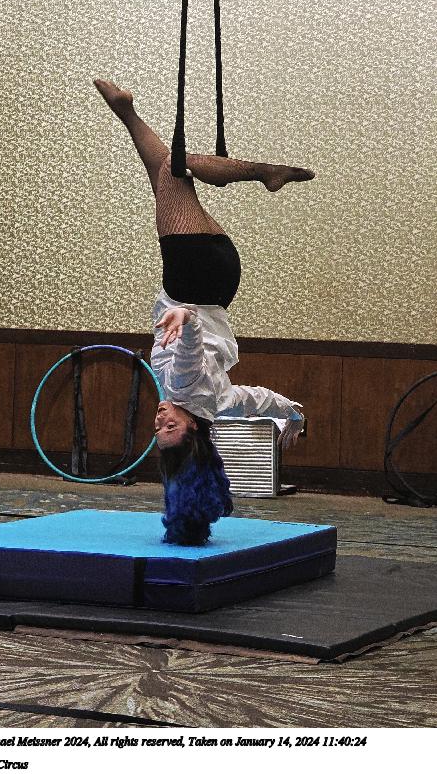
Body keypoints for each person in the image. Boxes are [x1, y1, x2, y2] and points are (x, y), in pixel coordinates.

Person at [94, 79, 312, 545]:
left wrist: (294, 415)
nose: (159, 418)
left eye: (158, 428)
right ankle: (262, 172)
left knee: (163, 176)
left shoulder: (217, 404)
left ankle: (126, 112)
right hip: (192, 281)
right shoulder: (185, 387)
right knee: (175, 171)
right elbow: (189, 354)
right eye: (170, 425)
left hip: (220, 279)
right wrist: (185, 319)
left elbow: (260, 399)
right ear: (192, 427)